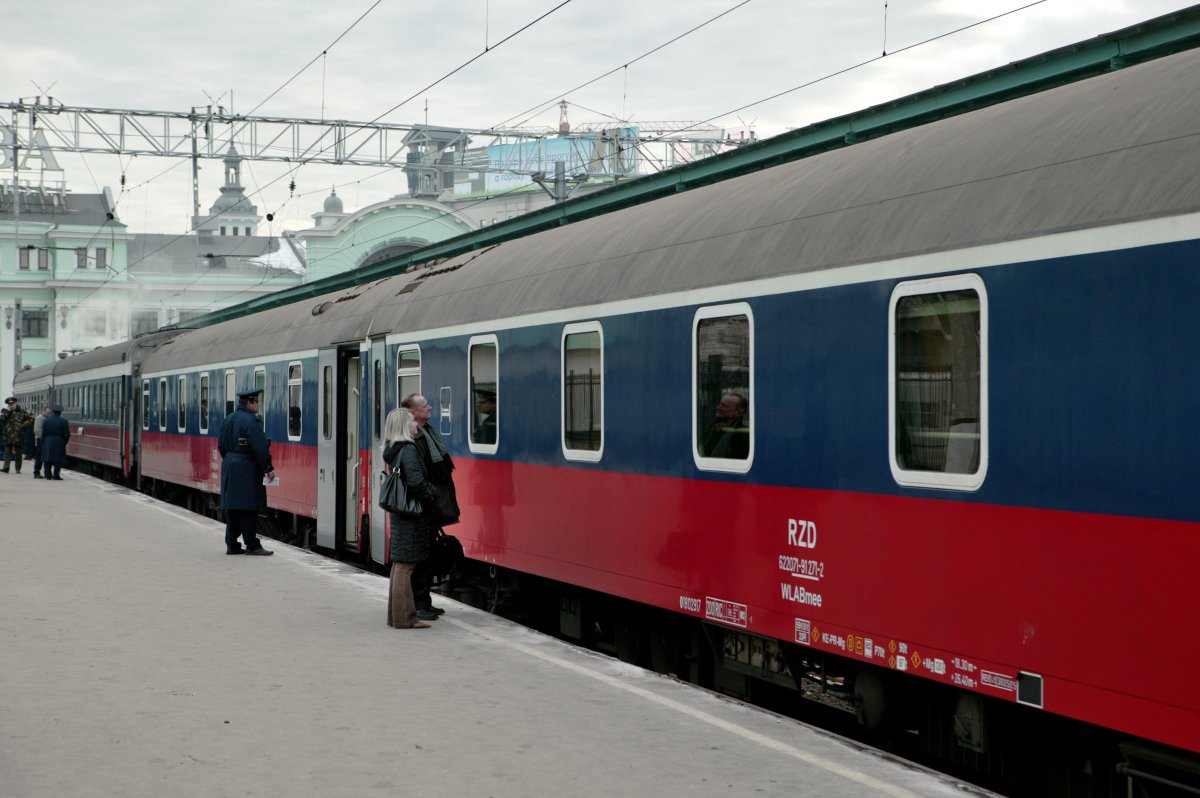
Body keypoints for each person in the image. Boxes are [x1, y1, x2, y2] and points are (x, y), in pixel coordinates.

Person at [401, 392, 459, 619]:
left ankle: (426, 601)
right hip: (423, 506)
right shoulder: (413, 439)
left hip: (431, 505)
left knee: (429, 554)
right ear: (414, 412)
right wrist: (430, 496)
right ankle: (419, 604)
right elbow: (418, 476)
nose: (430, 407)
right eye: (425, 405)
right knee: (420, 557)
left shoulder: (428, 433)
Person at [382, 406, 437, 629]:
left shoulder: (392, 449)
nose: (416, 424)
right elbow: (416, 483)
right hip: (411, 513)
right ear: (405, 426)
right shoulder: (409, 449)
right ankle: (406, 618)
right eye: (412, 421)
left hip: (400, 512)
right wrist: (431, 494)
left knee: (400, 564)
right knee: (406, 566)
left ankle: (395, 616)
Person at [217, 388, 275, 556]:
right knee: (249, 507)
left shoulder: (228, 419)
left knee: (233, 508)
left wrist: (231, 459)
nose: (258, 405)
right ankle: (252, 545)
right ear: (249, 403)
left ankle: (232, 544)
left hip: (229, 465)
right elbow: (260, 447)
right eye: (256, 402)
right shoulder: (252, 421)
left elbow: (221, 446)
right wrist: (268, 467)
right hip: (247, 468)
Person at [700, 392, 750, 459]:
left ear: (738, 412)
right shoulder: (713, 427)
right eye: (720, 404)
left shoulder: (743, 434)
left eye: (724, 406)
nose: (718, 407)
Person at [1, 398, 34, 474]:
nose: (11, 406)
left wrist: (23, 425)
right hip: (8, 435)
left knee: (18, 453)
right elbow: (2, 419)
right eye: (9, 405)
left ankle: (18, 469)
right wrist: (8, 412)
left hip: (19, 435)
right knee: (7, 452)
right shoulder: (5, 412)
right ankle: (6, 467)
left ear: (15, 404)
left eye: (12, 404)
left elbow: (31, 419)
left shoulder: (22, 412)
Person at [40, 405, 70, 480]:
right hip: (60, 441)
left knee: (47, 459)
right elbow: (67, 434)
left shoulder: (46, 421)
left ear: (52, 412)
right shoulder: (64, 421)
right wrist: (64, 442)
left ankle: (48, 475)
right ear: (60, 413)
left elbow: (43, 433)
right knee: (58, 460)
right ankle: (56, 475)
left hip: (48, 440)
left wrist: (43, 442)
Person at [32, 406, 51, 478]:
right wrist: (43, 439)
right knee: (39, 457)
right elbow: (36, 430)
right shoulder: (39, 418)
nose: (49, 414)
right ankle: (36, 472)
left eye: (50, 413)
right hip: (40, 440)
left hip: (46, 440)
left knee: (46, 457)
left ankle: (47, 473)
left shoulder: (48, 418)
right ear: (44, 411)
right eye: (48, 412)